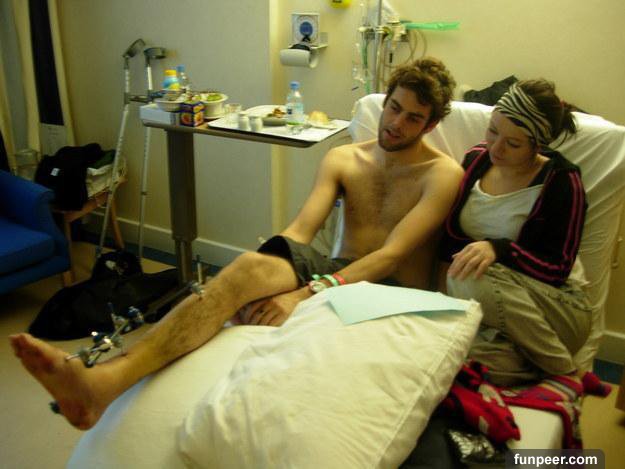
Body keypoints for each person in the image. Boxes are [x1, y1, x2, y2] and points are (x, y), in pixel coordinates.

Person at [10, 57, 463, 430]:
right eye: (393, 108)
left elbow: (390, 256)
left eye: (413, 118)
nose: (396, 123)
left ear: (431, 124)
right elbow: (300, 232)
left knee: (274, 297)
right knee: (245, 269)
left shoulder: (442, 174)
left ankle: (110, 382)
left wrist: (304, 294)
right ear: (385, 101)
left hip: (390, 291)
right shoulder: (344, 158)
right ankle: (104, 382)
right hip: (333, 268)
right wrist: (261, 278)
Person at [401, 79, 592, 469]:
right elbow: (448, 238)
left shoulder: (562, 182)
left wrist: (499, 249)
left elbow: (557, 268)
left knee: (468, 274)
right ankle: (528, 367)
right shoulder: (475, 161)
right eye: (492, 132)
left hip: (557, 310)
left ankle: (563, 370)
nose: (496, 148)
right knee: (449, 356)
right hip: (490, 315)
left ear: (537, 145)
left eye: (513, 143)